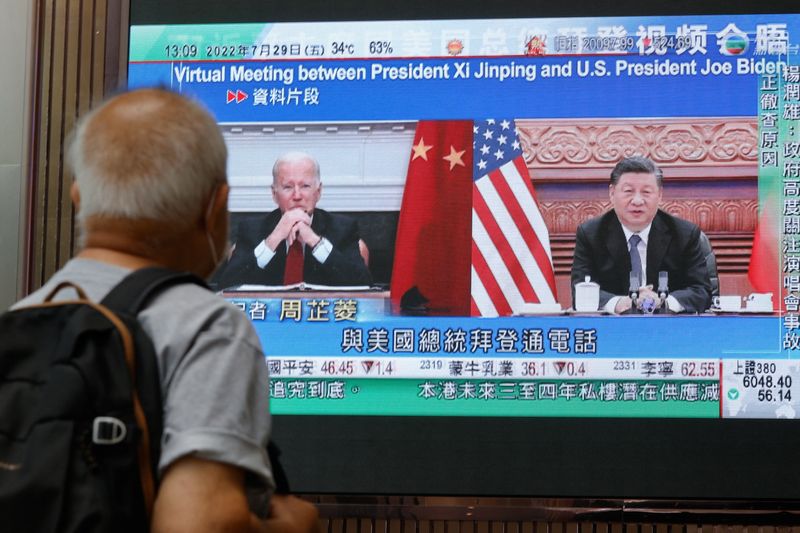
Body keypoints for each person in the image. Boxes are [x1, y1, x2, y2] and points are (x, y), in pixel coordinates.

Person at [11, 89, 319, 532]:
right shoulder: (208, 326)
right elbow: (201, 523)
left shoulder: (20, 315)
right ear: (215, 209)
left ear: (78, 198)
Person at [571, 156, 712, 314]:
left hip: (670, 329)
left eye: (646, 192)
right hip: (613, 330)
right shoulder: (591, 234)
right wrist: (619, 303)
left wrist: (663, 302)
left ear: (659, 195)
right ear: (612, 193)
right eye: (628, 191)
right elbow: (580, 291)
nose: (637, 201)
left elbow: (702, 292)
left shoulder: (684, 234)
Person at [217, 151, 372, 288]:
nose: (297, 196)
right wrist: (274, 238)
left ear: (318, 192)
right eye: (288, 187)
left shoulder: (343, 228)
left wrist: (314, 241)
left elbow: (364, 284)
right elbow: (226, 286)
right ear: (274, 193)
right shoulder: (252, 229)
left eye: (305, 186)